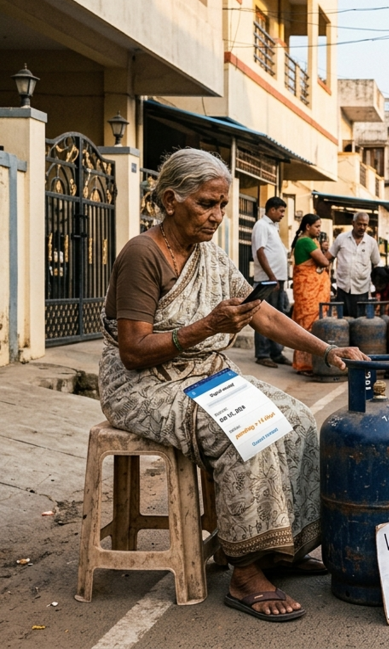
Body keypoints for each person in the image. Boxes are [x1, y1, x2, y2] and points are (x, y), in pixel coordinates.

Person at [99, 149, 368, 622]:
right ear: (170, 200)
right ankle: (244, 570)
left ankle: (282, 547)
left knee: (298, 419)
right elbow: (134, 351)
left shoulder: (209, 254)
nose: (217, 216)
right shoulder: (143, 254)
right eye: (206, 204)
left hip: (204, 374)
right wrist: (205, 327)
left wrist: (326, 349)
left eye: (221, 205)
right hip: (144, 385)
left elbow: (259, 311)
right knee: (248, 429)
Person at [251, 196, 289, 368]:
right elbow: (260, 252)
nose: (282, 215)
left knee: (277, 316)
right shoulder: (261, 226)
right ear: (272, 209)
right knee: (264, 316)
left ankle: (276, 352)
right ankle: (263, 354)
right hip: (267, 280)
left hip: (276, 279)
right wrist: (272, 277)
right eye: (281, 211)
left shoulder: (273, 227)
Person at [290, 214, 331, 374]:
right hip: (308, 290)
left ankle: (304, 363)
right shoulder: (306, 241)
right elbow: (323, 262)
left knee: (305, 323)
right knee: (309, 324)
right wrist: (326, 255)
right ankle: (305, 364)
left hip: (306, 289)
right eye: (317, 226)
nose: (319, 230)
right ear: (308, 227)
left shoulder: (306, 241)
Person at [328, 212, 380, 318]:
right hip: (343, 288)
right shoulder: (341, 238)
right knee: (343, 321)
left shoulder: (371, 242)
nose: (362, 227)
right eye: (359, 224)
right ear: (353, 223)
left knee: (359, 322)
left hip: (362, 289)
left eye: (365, 225)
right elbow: (329, 257)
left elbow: (376, 263)